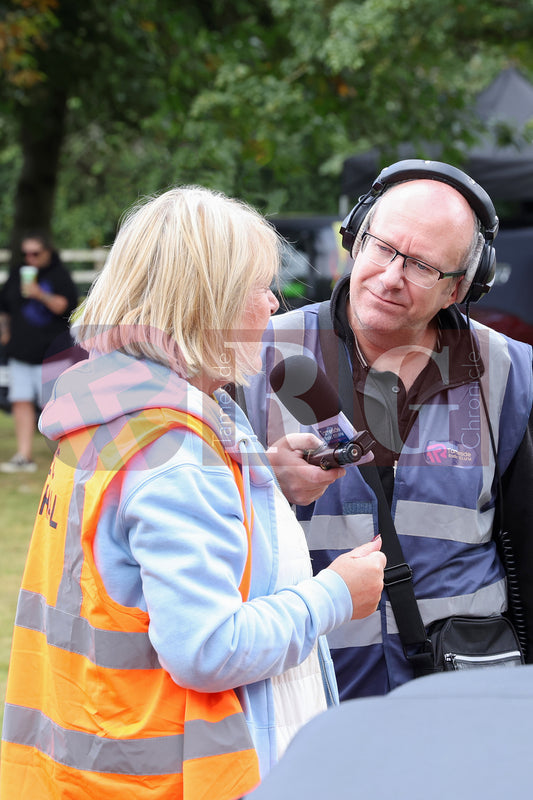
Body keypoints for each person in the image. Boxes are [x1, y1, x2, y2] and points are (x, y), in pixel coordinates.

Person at [0, 186, 386, 799]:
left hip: (88, 762)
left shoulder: (110, 411)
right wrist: (335, 595)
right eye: (259, 285)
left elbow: (127, 559)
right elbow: (207, 648)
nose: (273, 301)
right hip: (168, 777)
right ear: (211, 303)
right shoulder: (175, 454)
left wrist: (267, 480)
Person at [242, 160, 533, 700]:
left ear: (459, 290)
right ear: (355, 239)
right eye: (383, 247)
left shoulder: (513, 374)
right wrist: (261, 485)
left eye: (422, 265)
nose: (391, 276)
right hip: (307, 696)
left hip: (466, 706)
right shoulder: (253, 354)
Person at [0, 233, 79, 472]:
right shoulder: (17, 275)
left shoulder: (60, 275)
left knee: (55, 404)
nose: (30, 258)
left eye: (35, 253)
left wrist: (39, 294)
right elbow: (3, 307)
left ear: (47, 252)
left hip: (52, 354)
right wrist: (4, 333)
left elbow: (66, 306)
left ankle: (64, 458)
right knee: (20, 401)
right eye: (26, 254)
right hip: (20, 353)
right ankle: (24, 456)